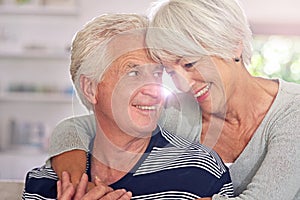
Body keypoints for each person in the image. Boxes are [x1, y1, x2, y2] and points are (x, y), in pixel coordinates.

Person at [47, 0, 300, 200]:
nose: (183, 84)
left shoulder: (293, 112)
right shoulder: (181, 113)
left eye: (189, 63)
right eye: (170, 71)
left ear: (234, 45)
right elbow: (74, 128)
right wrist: (81, 188)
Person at [22, 13, 234, 200]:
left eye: (157, 73)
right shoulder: (43, 185)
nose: (154, 89)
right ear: (91, 88)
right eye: (133, 73)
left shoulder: (200, 172)